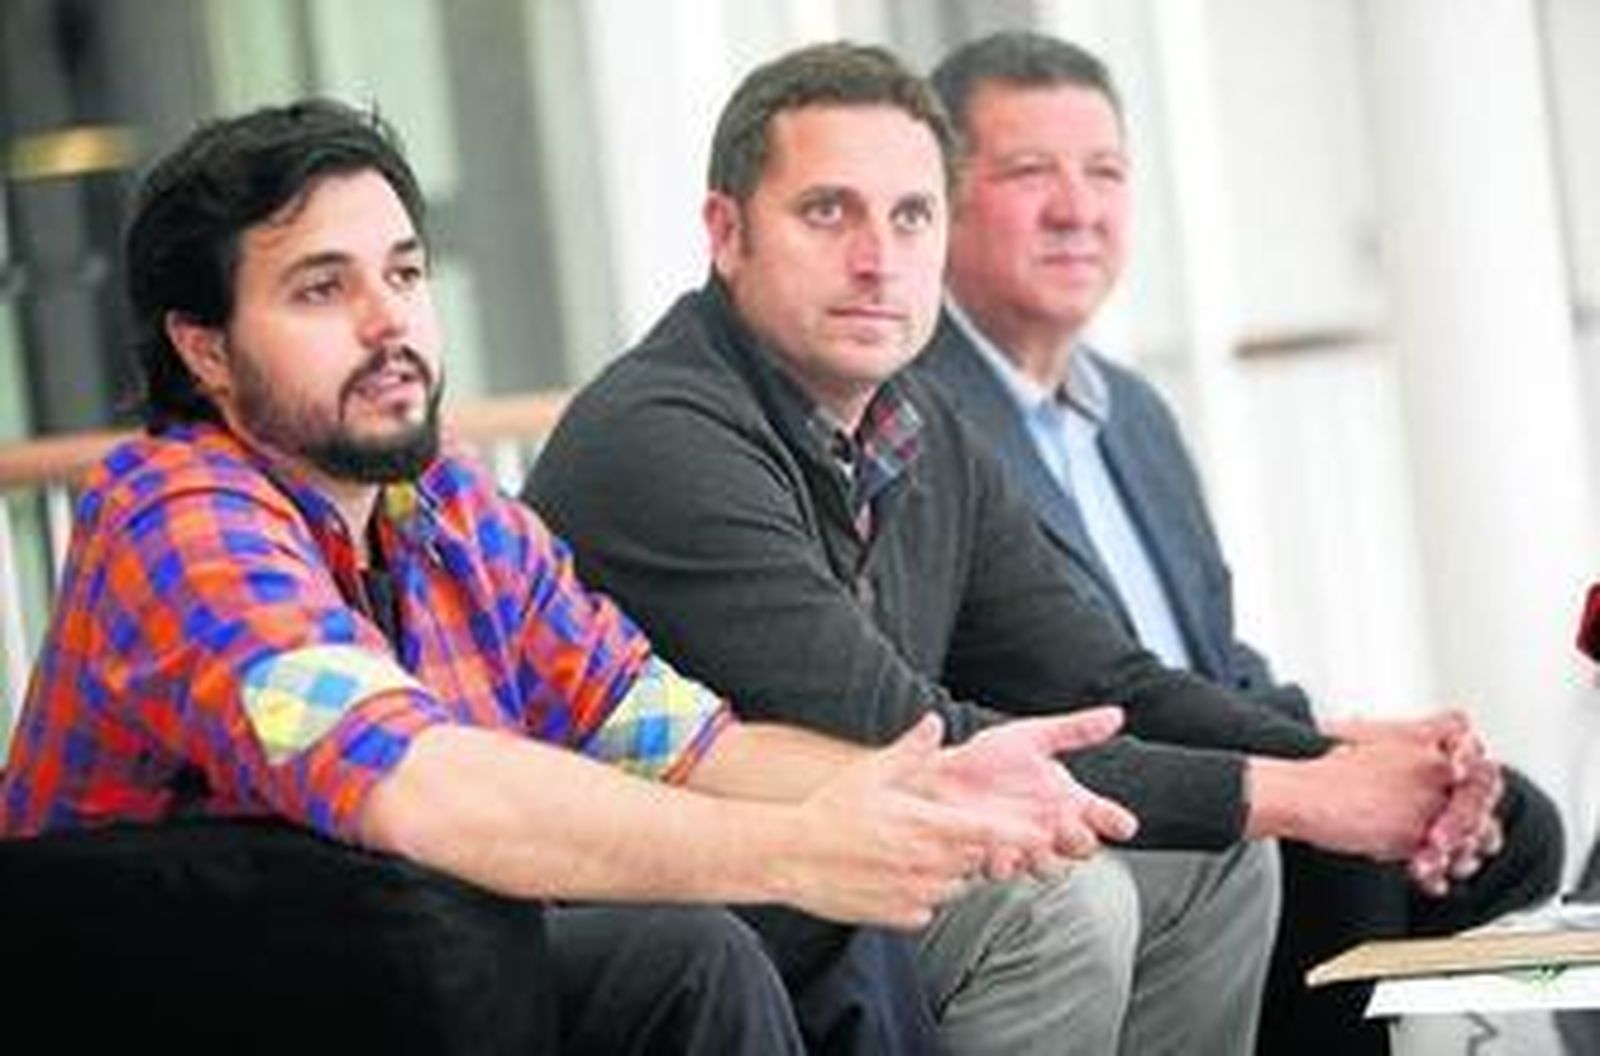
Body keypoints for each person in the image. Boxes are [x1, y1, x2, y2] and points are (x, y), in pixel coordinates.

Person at [0, 98, 1140, 1055]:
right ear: (205, 349)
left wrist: (917, 797)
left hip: (416, 972)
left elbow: (680, 740)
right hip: (193, 1006)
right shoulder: (175, 520)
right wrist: (797, 848)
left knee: (821, 918)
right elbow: (420, 783)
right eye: (320, 289)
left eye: (403, 271)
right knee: (683, 947)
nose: (388, 319)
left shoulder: (443, 504)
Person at [524, 40, 1507, 1055]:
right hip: (696, 895)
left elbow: (1101, 676)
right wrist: (1307, 794)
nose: (877, 258)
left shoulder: (920, 425)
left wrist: (1357, 769)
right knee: (1058, 903)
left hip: (869, 853)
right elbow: (897, 729)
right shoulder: (658, 437)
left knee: (1219, 862)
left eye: (910, 216)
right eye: (827, 212)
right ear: (726, 233)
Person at [914, 30, 1564, 1054]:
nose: (1077, 209)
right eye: (1029, 172)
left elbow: (1214, 658)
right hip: (1104, 802)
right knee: (1336, 844)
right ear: (940, 201)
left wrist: (1367, 744)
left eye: (1106, 172)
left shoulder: (1128, 412)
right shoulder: (916, 416)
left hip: (1218, 752)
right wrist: (1321, 772)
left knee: (1510, 827)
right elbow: (1038, 686)